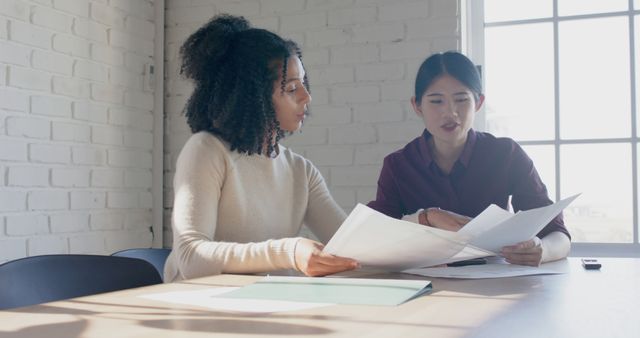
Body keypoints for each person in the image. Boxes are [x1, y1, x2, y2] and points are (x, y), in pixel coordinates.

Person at [164, 14, 358, 282]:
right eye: (291, 88)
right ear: (252, 97)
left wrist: (423, 225)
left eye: (304, 83)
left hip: (265, 308)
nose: (306, 96)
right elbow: (190, 257)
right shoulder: (206, 150)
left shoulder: (301, 171)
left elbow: (354, 248)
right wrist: (288, 251)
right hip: (200, 308)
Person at [367, 51, 570, 267]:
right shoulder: (398, 165)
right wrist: (426, 218)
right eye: (436, 101)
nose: (450, 112)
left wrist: (543, 250)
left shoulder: (506, 154)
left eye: (461, 100)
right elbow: (373, 238)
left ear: (479, 102)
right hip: (425, 288)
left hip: (497, 285)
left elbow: (559, 235)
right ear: (417, 106)